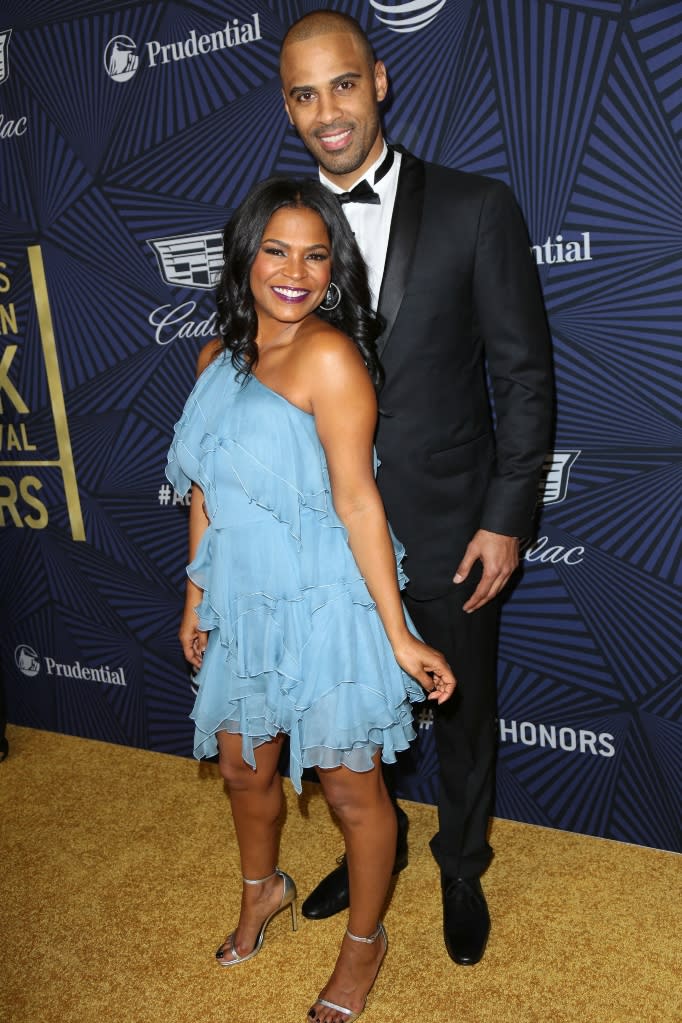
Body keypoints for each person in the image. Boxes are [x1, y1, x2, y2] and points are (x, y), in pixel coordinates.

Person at [279, 10, 553, 967]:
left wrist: (505, 518)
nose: (328, 112)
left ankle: (463, 859)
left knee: (462, 710)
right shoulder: (281, 233)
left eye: (342, 85)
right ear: (289, 107)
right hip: (322, 531)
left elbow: (522, 377)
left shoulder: (478, 207)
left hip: (446, 523)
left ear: (380, 81)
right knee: (351, 709)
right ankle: (373, 848)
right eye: (304, 95)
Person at [167, 177, 456, 1023]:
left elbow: (359, 500)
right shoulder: (215, 360)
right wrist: (196, 599)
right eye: (276, 249)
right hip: (244, 604)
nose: (295, 270)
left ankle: (365, 942)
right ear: (245, 258)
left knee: (351, 792)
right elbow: (205, 492)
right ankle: (264, 889)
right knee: (241, 771)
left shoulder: (330, 356)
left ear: (334, 269)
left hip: (325, 604)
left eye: (316, 253)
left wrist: (399, 638)